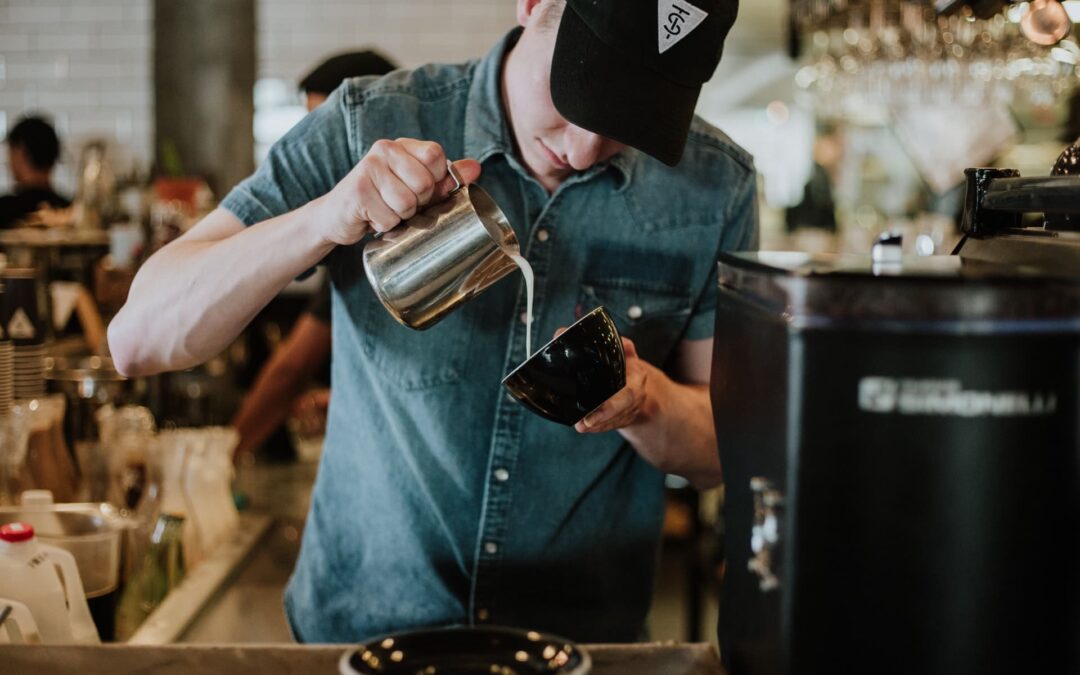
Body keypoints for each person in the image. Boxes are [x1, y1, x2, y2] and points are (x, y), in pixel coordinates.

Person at [109, 0, 756, 644]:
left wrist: (646, 400)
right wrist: (324, 218)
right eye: (576, 90)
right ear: (532, 5)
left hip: (580, 647)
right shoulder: (368, 122)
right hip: (360, 639)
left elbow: (719, 453)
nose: (584, 148)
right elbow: (137, 338)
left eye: (628, 118)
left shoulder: (712, 187)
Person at [231, 50, 398, 461]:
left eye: (329, 130)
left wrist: (221, 458)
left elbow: (291, 370)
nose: (320, 150)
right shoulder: (356, 220)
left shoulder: (384, 230)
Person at [0, 115, 70, 228]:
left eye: (11, 152)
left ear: (20, 152)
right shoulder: (71, 211)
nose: (8, 162)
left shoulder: (5, 210)